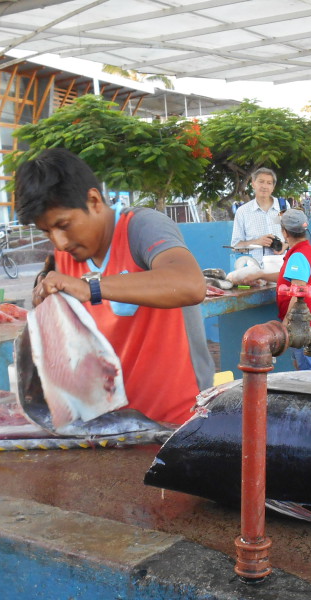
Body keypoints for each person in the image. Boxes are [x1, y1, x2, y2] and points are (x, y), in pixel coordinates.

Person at [16, 147, 213, 425]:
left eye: (64, 224)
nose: (58, 241)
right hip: (109, 425)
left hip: (176, 420)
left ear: (94, 200)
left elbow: (191, 284)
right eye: (47, 231)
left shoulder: (141, 227)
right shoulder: (64, 255)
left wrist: (92, 287)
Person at [257, 209, 311, 370]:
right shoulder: (302, 250)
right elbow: (286, 277)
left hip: (302, 323)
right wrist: (258, 275)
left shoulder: (298, 255)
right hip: (305, 320)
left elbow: (298, 290)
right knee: (303, 367)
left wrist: (286, 323)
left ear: (284, 232)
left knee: (308, 372)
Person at [230, 167, 288, 269]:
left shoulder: (283, 207)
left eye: (269, 183)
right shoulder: (243, 211)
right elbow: (235, 246)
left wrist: (285, 245)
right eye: (261, 182)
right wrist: (257, 242)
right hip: (254, 271)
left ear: (273, 187)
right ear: (253, 184)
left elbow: (294, 236)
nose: (264, 186)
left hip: (282, 268)